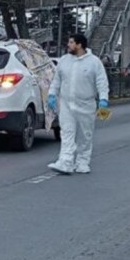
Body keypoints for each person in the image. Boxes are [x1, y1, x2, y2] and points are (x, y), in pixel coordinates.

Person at [47, 33, 109, 174]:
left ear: (79, 45)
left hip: (86, 104)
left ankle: (82, 162)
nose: (68, 45)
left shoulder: (94, 62)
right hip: (67, 104)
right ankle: (65, 161)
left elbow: (101, 82)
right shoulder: (64, 61)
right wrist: (52, 94)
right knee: (67, 132)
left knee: (84, 135)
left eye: (71, 42)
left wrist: (103, 99)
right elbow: (57, 80)